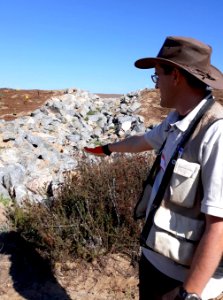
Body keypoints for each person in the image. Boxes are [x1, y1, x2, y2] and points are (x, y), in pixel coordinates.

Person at [84, 36, 223, 300]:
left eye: (157, 75)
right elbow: (142, 141)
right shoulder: (175, 122)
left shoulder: (216, 133)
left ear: (177, 76)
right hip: (154, 258)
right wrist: (105, 149)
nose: (156, 83)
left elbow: (219, 226)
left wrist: (189, 293)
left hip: (181, 279)